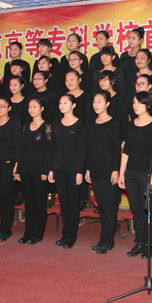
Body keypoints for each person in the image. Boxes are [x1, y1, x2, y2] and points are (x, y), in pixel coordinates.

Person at [119, 91, 152, 258]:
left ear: (148, 105)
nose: (135, 106)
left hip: (147, 174)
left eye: (139, 103)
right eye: (134, 103)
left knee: (149, 211)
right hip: (130, 173)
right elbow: (126, 151)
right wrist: (122, 174)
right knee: (136, 210)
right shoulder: (132, 124)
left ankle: (149, 245)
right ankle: (139, 241)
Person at [85, 91, 122, 254]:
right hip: (94, 169)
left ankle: (107, 240)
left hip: (109, 170)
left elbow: (116, 149)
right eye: (94, 101)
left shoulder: (114, 124)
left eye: (99, 101)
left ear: (107, 104)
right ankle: (104, 238)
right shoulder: (91, 123)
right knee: (102, 206)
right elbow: (88, 148)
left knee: (110, 206)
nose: (96, 104)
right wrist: (87, 168)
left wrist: (116, 169)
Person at [49, 94, 87, 248]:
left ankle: (71, 236)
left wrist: (80, 171)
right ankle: (65, 234)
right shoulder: (56, 124)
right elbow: (53, 148)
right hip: (59, 167)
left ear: (73, 105)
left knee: (73, 203)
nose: (62, 105)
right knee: (64, 203)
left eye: (65, 103)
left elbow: (82, 150)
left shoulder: (80, 124)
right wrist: (51, 169)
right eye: (60, 103)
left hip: (73, 169)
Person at [15, 98, 54, 244]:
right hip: (26, 169)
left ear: (42, 108)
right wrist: (18, 169)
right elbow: (22, 149)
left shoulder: (47, 126)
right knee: (29, 203)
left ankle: (38, 234)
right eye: (30, 107)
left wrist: (46, 170)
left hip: (40, 170)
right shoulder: (26, 126)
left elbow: (50, 150)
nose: (31, 109)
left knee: (39, 203)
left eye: (35, 107)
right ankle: (28, 233)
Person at [0, 98, 21, 241]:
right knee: (1, 196)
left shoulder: (14, 124)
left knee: (7, 197)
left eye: (3, 106)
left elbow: (18, 145)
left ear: (9, 108)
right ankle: (2, 226)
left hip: (9, 164)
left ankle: (6, 229)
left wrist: (17, 165)